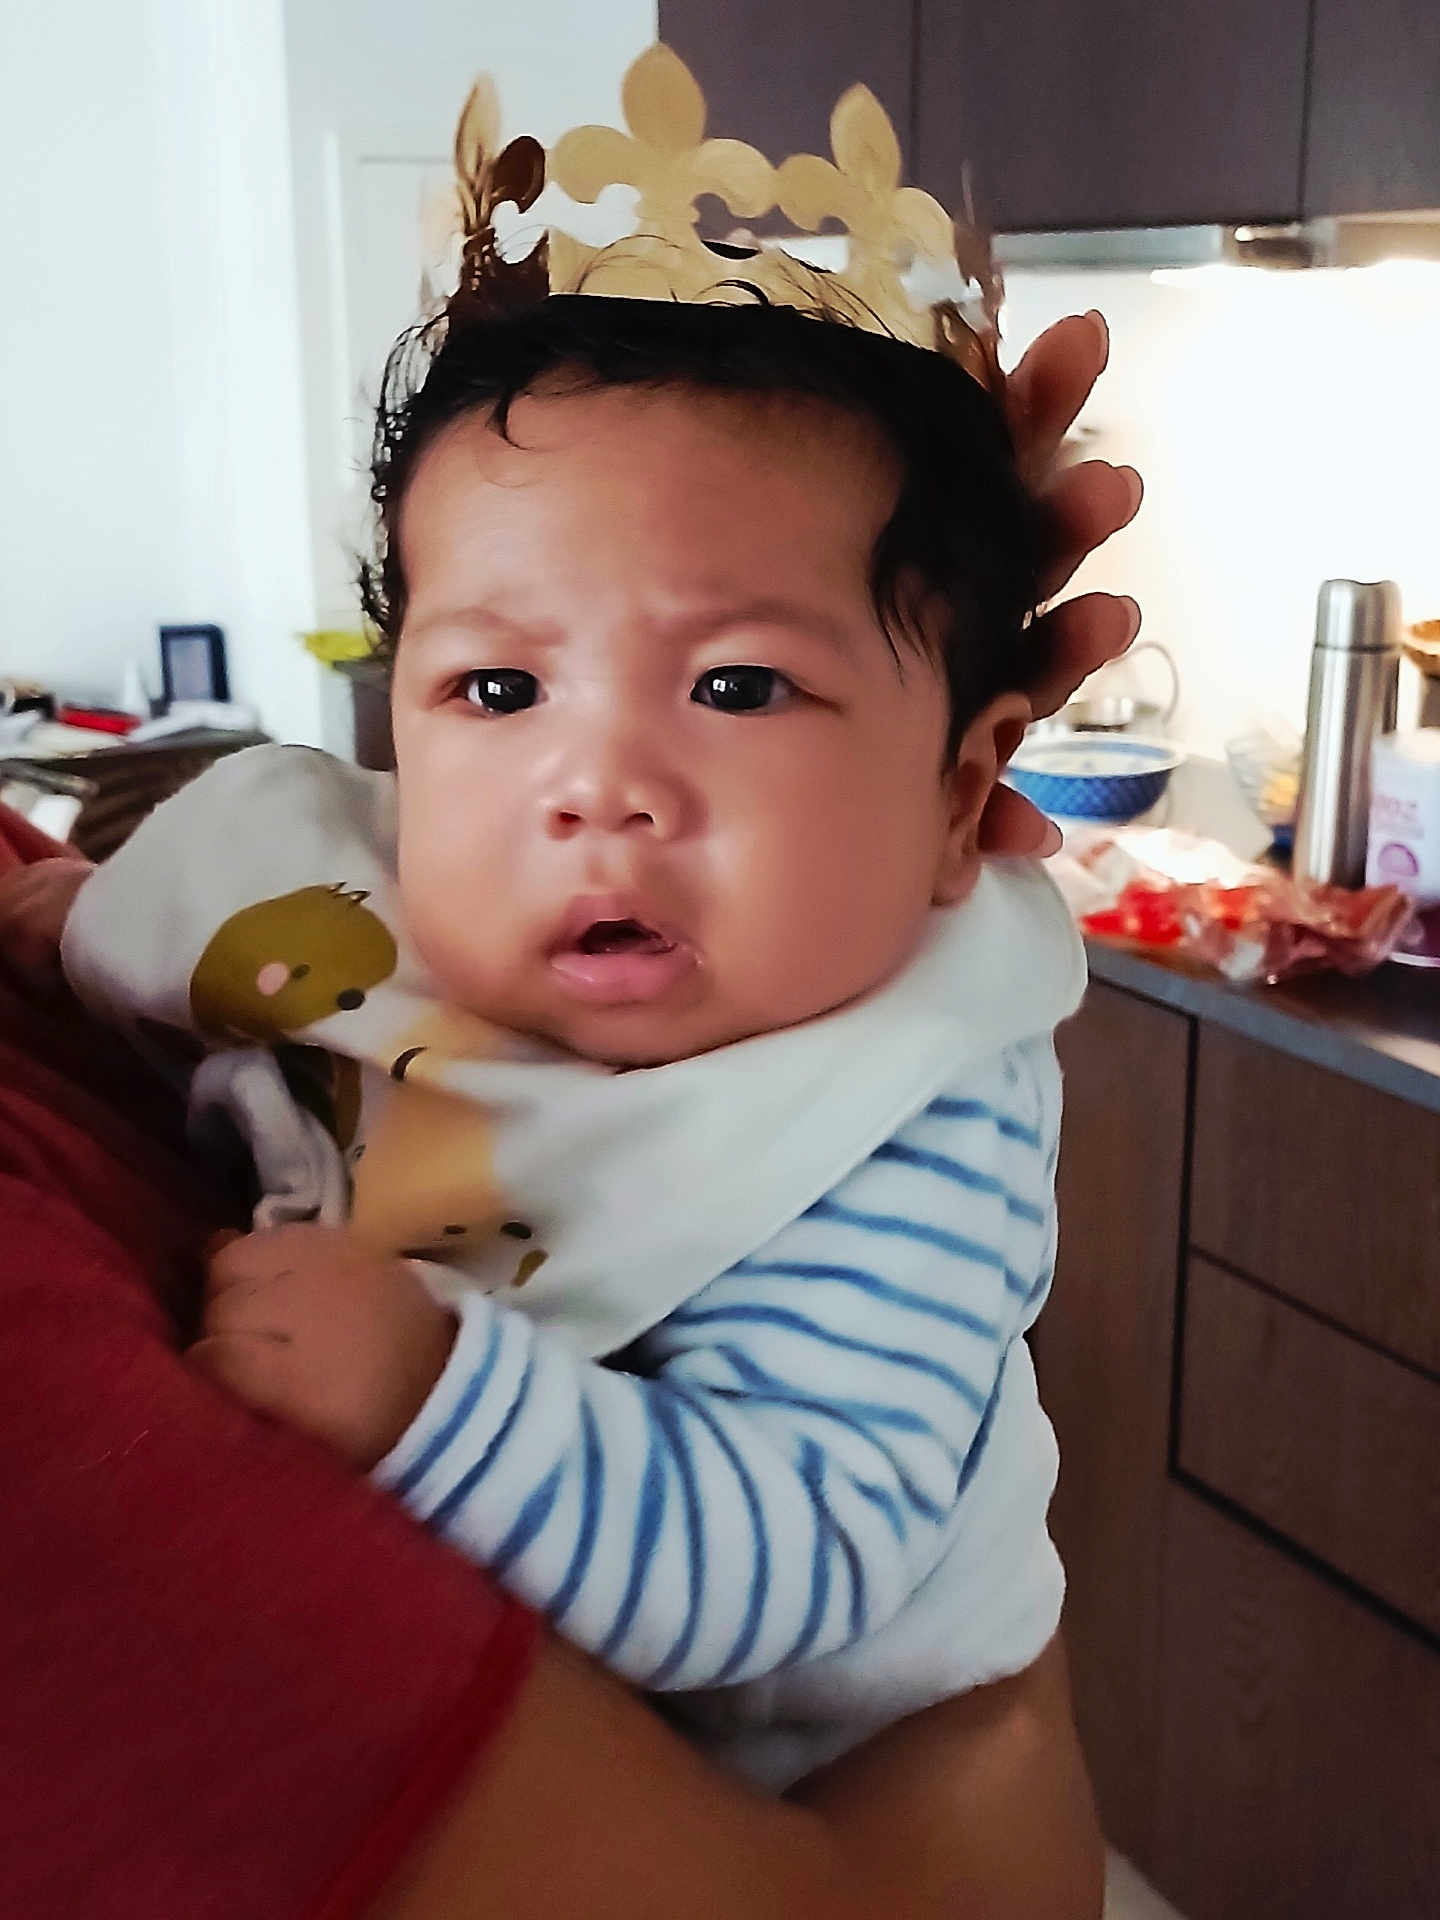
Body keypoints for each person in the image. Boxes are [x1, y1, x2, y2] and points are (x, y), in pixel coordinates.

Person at [2, 307, 1134, 1918]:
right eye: (496, 684)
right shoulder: (386, 896)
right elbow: (251, 973)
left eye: (739, 683)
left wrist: (430, 1392)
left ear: (963, 796)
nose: (596, 780)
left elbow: (788, 1554)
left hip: (768, 1761)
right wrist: (101, 934)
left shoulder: (901, 1110)